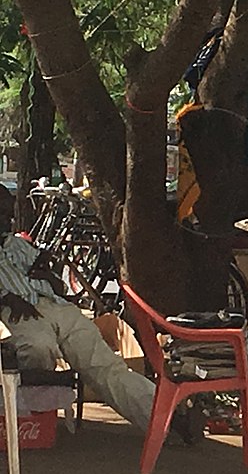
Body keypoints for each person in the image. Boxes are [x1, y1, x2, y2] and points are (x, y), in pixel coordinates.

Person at [0, 184, 154, 431]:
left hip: (57, 306)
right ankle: (33, 417)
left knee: (104, 364)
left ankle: (160, 415)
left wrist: (49, 275)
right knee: (38, 349)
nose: (6, 219)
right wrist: (6, 297)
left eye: (8, 213)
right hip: (15, 314)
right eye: (1, 213)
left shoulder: (19, 245)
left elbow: (59, 287)